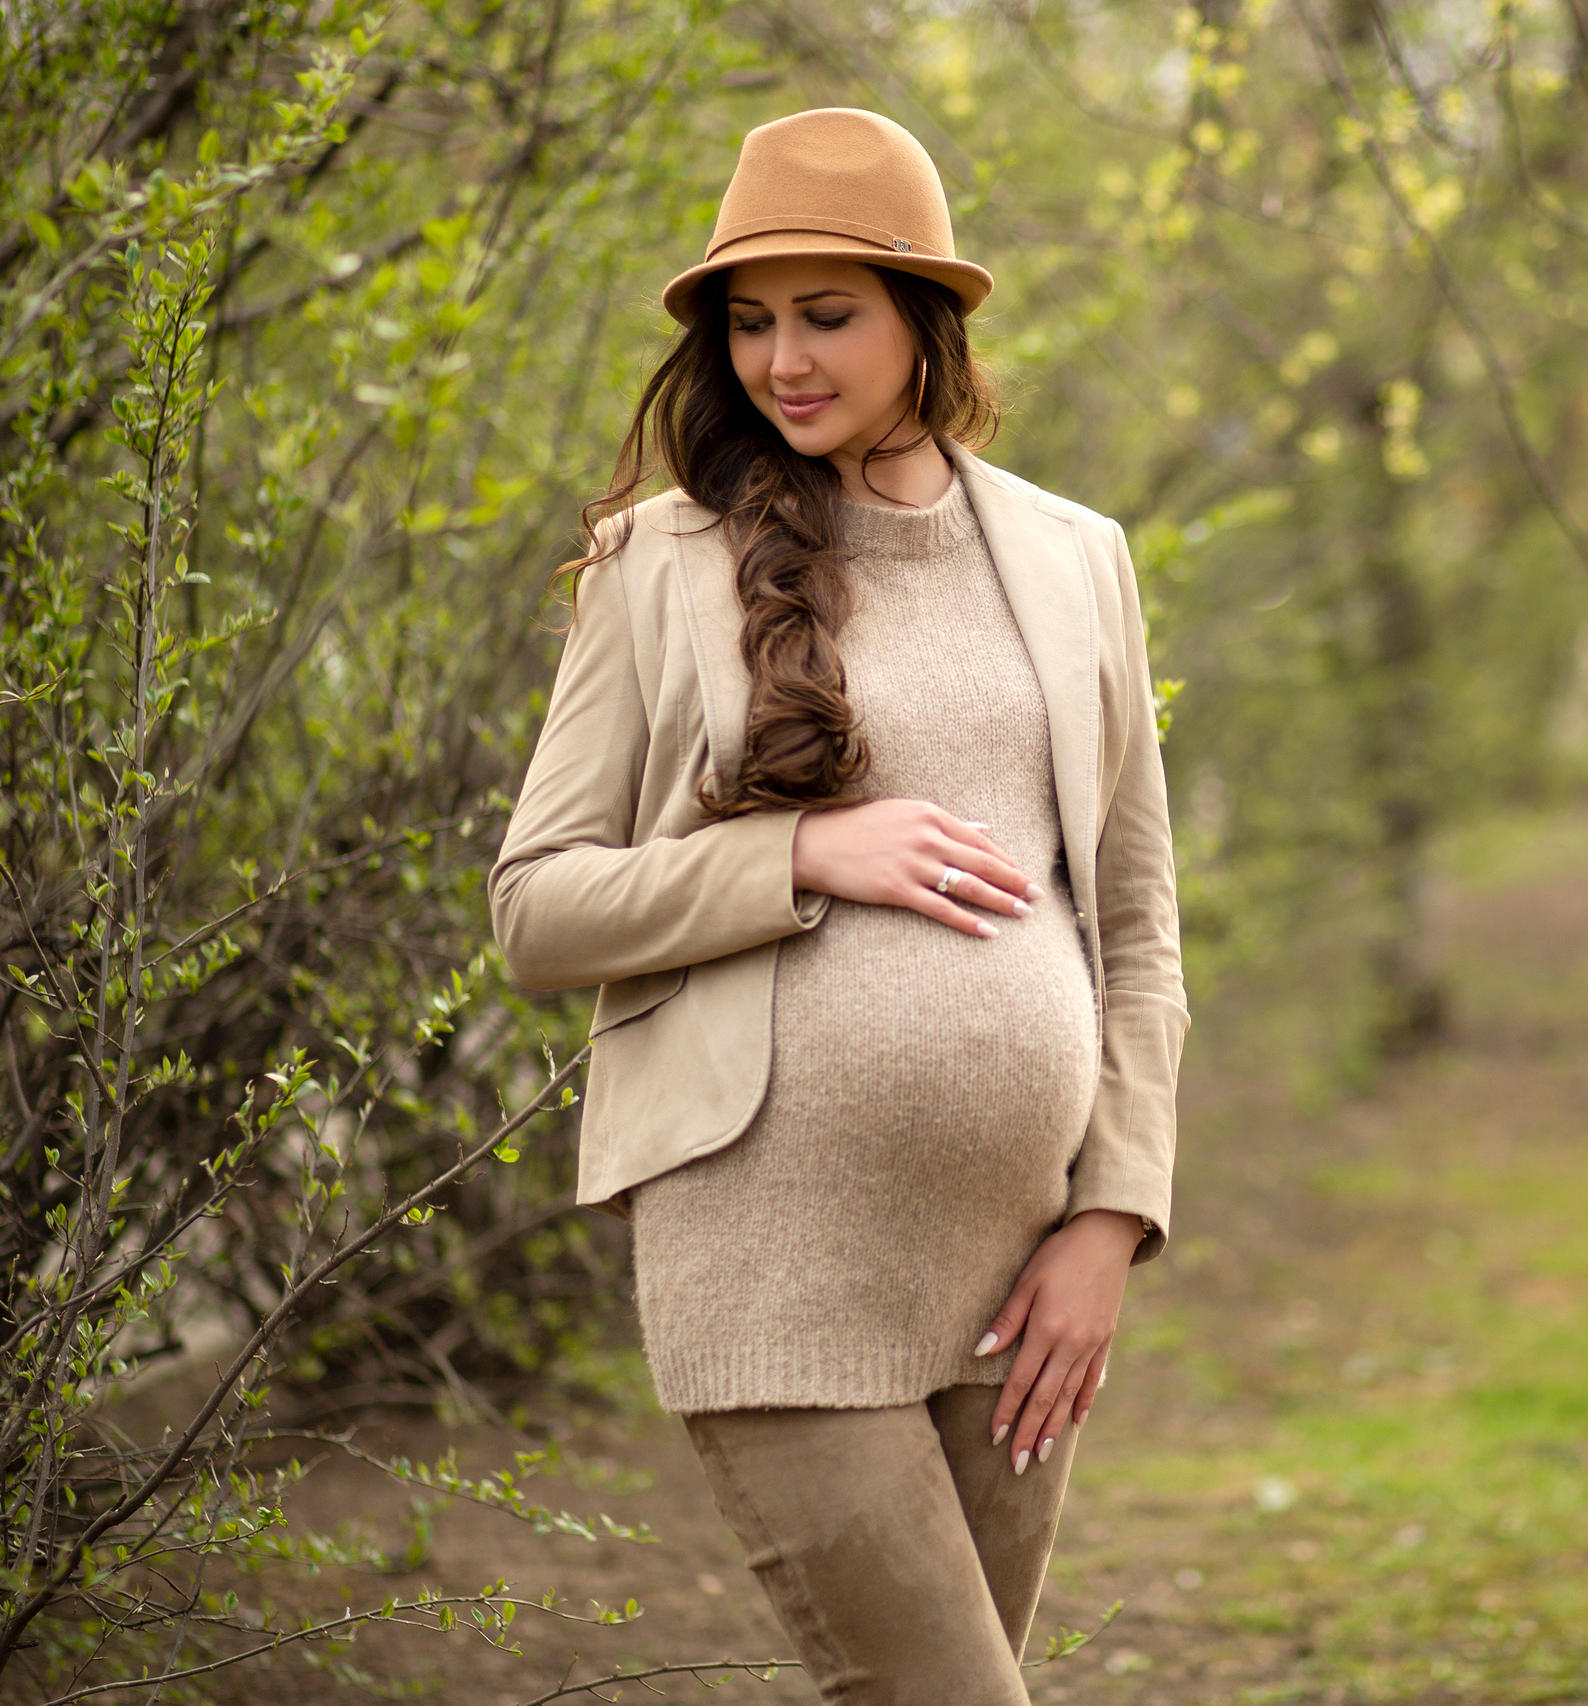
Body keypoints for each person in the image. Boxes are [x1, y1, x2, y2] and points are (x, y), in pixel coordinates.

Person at [486, 107, 1186, 1703]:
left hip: (1017, 1273)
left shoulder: (1079, 558)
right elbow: (536, 908)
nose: (780, 361)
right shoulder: (654, 563)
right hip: (771, 1253)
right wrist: (800, 856)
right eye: (748, 322)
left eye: (824, 315)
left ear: (920, 319)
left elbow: (1138, 927)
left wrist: (1112, 1212)